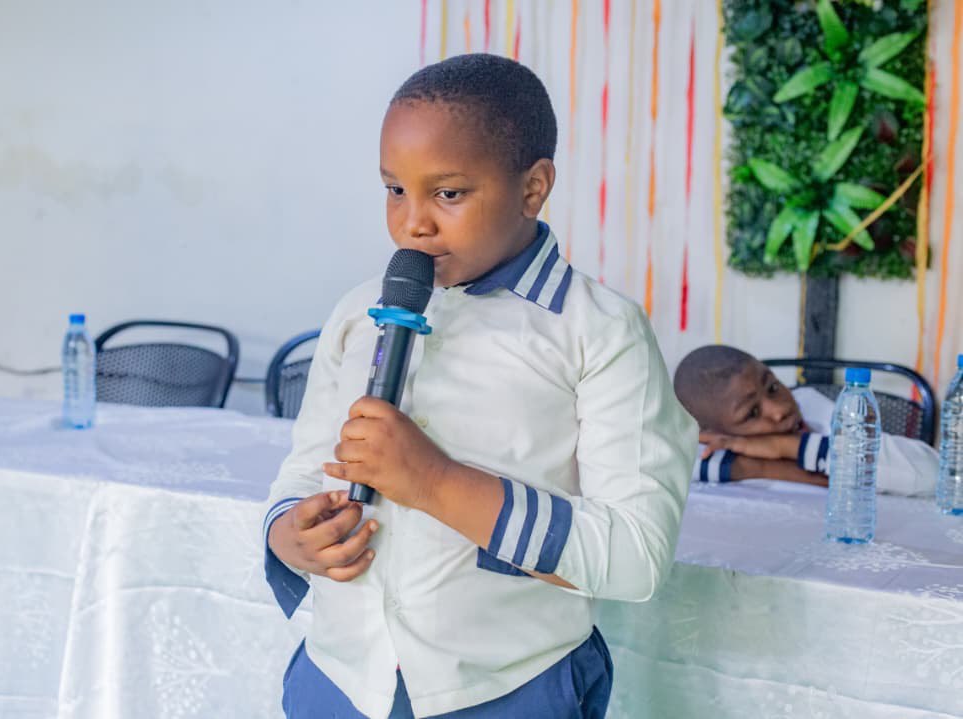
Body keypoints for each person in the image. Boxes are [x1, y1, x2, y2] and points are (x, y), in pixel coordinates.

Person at [262, 53, 697, 718]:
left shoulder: (599, 332)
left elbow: (636, 555)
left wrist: (433, 481)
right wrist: (288, 533)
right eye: (393, 189)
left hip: (509, 688)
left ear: (533, 188)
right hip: (341, 680)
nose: (413, 223)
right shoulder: (356, 316)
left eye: (449, 193)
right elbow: (302, 470)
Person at [673, 344, 937, 495]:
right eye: (752, 413)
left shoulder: (816, 407)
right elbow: (668, 469)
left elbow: (934, 475)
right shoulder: (699, 455)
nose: (779, 410)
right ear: (710, 433)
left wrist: (790, 447)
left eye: (773, 387)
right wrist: (755, 467)